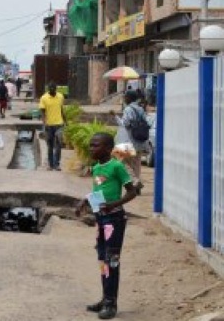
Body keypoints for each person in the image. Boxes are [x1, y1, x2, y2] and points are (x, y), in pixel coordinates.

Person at [75, 132, 138, 320]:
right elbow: (98, 191)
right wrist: (84, 201)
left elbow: (132, 192)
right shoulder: (96, 168)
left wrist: (114, 204)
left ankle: (111, 303)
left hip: (114, 220)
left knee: (112, 260)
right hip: (101, 220)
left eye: (96, 145)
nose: (91, 148)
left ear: (109, 149)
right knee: (103, 260)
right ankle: (105, 298)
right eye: (91, 145)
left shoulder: (117, 167)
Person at [114, 90, 148, 194]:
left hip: (128, 140)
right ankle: (136, 188)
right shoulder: (140, 109)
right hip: (139, 141)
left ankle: (136, 181)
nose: (124, 99)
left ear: (129, 98)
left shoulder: (128, 109)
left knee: (121, 161)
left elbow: (125, 124)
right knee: (136, 164)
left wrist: (115, 116)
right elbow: (146, 121)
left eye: (125, 97)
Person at [39, 82, 66, 171]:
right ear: (48, 89)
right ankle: (50, 165)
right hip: (49, 125)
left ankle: (56, 164)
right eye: (50, 89)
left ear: (56, 89)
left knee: (58, 145)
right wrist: (44, 123)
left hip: (59, 124)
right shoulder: (44, 98)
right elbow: (42, 112)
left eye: (53, 89)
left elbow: (61, 109)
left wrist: (65, 121)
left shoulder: (60, 96)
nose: (52, 91)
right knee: (50, 145)